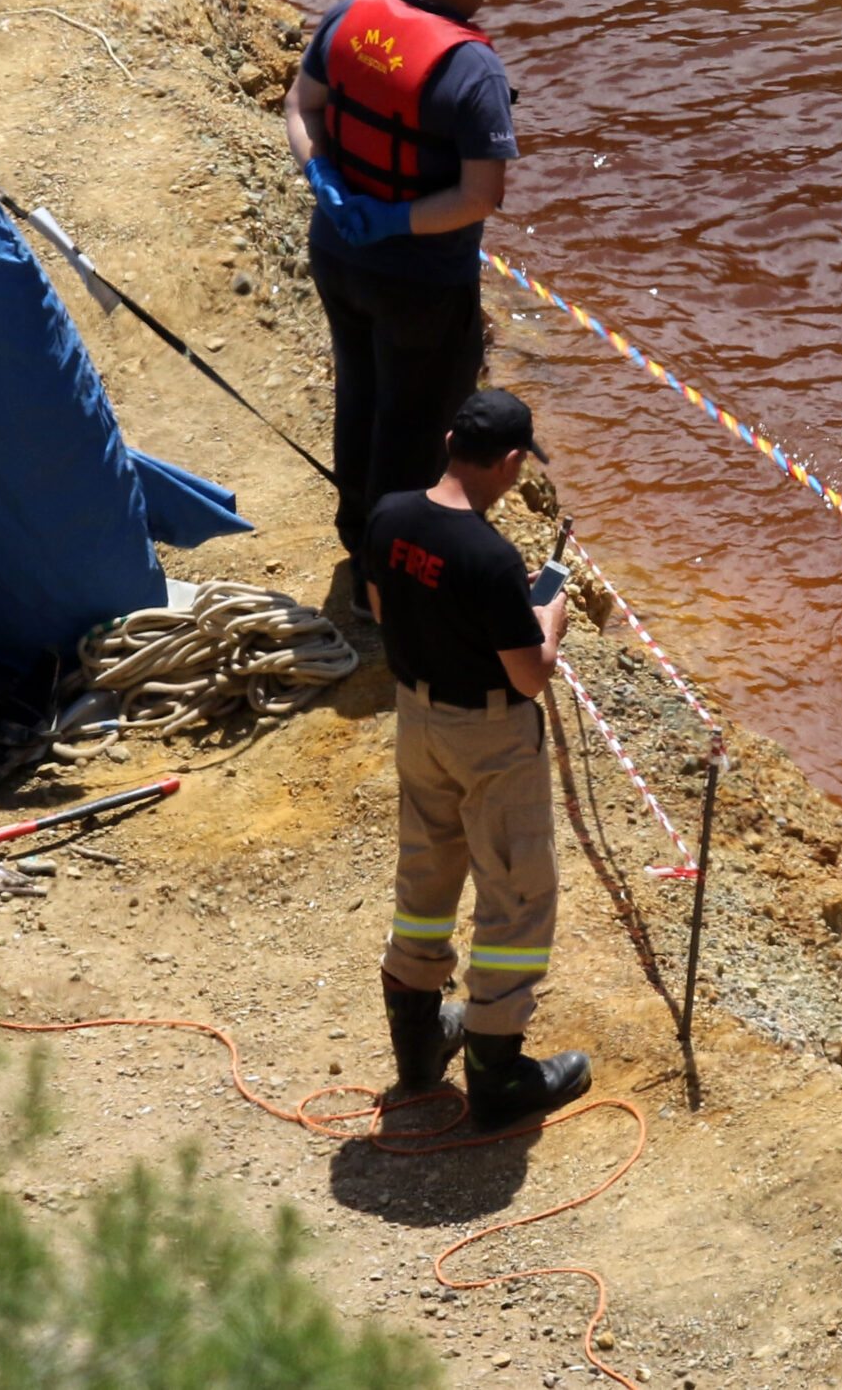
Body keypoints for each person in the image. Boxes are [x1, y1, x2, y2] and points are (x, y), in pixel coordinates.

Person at [367, 387, 590, 1128]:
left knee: (425, 874)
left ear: (448, 438)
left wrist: (486, 615)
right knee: (517, 893)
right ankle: (498, 1073)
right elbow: (530, 674)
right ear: (513, 462)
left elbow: (382, 606)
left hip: (418, 719)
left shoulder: (389, 515)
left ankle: (419, 1045)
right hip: (489, 737)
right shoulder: (490, 557)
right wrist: (546, 617)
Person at [286, 0, 524, 580]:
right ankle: (384, 576)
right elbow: (478, 196)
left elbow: (300, 105)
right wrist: (394, 221)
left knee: (359, 390)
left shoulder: (347, 17)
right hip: (422, 279)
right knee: (416, 420)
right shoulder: (473, 69)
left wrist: (324, 179)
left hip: (336, 252)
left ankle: (356, 530)